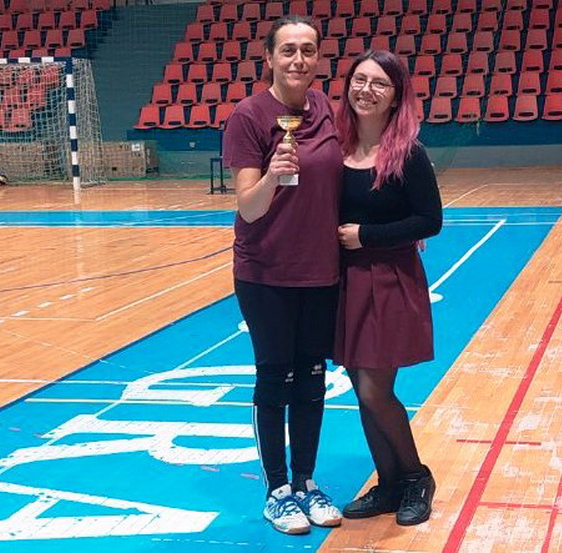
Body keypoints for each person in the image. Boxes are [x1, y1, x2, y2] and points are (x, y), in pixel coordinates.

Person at [221, 15, 344, 535]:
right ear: (269, 57)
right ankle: (277, 490)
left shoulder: (325, 109)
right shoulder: (248, 117)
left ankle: (307, 482)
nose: (299, 59)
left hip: (321, 270)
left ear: (318, 58)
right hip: (266, 273)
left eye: (308, 50)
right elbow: (249, 207)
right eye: (288, 50)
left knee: (313, 377)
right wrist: (273, 173)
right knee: (275, 376)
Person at [333, 50, 442, 526]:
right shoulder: (336, 149)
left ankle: (417, 477)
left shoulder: (408, 153)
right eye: (360, 80)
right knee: (360, 388)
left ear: (396, 96)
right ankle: (389, 482)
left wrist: (367, 236)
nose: (367, 90)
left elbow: (430, 221)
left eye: (379, 83)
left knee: (375, 389)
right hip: (345, 281)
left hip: (390, 278)